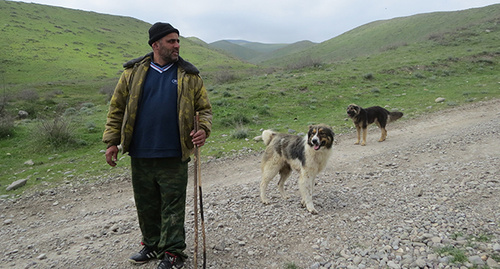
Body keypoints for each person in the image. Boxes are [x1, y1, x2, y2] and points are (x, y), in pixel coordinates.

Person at [102, 22, 212, 269]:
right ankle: (152, 246)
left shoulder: (189, 76)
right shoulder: (132, 73)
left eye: (178, 40)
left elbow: (204, 110)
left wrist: (203, 130)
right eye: (171, 41)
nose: (177, 45)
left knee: (172, 206)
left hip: (174, 153)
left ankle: (173, 253)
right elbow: (117, 109)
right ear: (156, 44)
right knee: (146, 204)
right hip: (140, 152)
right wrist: (112, 142)